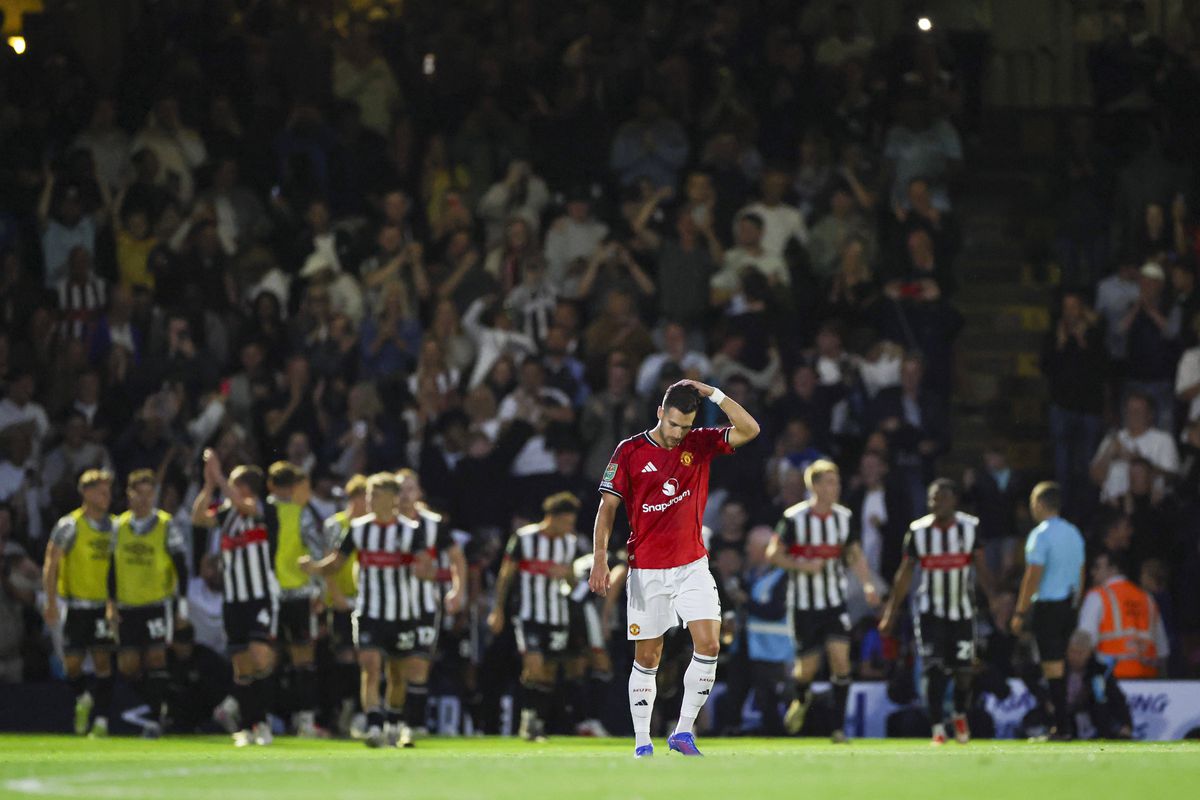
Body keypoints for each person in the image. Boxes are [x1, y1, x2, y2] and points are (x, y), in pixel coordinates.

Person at [590, 380, 760, 757]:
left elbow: (750, 429)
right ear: (659, 414)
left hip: (692, 565)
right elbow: (607, 507)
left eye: (685, 426)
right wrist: (600, 556)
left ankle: (683, 732)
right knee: (648, 657)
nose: (677, 433)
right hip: (647, 569)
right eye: (672, 425)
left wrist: (714, 393)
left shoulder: (697, 444)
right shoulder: (630, 450)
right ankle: (641, 742)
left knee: (710, 643)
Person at [299, 472, 459, 749]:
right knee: (370, 667)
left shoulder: (411, 531)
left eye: (376, 495)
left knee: (398, 674)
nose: (370, 500)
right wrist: (313, 567)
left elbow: (427, 568)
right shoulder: (359, 529)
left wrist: (425, 571)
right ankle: (374, 725)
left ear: (392, 500)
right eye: (370, 495)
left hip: (403, 613)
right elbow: (337, 562)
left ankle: (394, 722)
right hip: (369, 611)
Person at [767, 459, 879, 743]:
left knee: (841, 660)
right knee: (807, 670)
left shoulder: (844, 517)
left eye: (837, 482)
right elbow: (773, 554)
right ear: (814, 486)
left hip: (834, 602)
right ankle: (800, 698)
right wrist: (802, 565)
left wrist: (867, 583)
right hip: (804, 605)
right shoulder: (794, 518)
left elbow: (854, 553)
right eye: (829, 482)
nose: (835, 487)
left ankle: (838, 728)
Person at [879, 479, 993, 745]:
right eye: (932, 499)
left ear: (954, 500)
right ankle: (937, 727)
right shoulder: (918, 532)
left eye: (941, 498)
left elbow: (982, 570)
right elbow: (904, 575)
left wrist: (995, 598)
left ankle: (959, 713)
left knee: (963, 671)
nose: (936, 504)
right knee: (934, 668)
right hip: (930, 612)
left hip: (962, 612)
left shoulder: (970, 528)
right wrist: (890, 614)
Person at [190, 453, 278, 747]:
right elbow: (198, 517)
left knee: (259, 656)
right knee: (241, 666)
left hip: (259, 596)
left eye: (235, 485)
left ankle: (263, 722)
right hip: (234, 599)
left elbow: (244, 505)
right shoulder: (227, 514)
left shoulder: (262, 509)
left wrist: (219, 477)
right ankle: (249, 726)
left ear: (247, 488)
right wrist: (207, 484)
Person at [488, 492, 586, 742]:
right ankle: (528, 720)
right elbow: (505, 575)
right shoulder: (523, 538)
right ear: (551, 517)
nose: (569, 527)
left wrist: (566, 574)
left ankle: (536, 722)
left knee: (549, 671)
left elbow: (574, 584)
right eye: (565, 521)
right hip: (528, 614)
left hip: (557, 615)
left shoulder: (570, 543)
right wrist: (498, 609)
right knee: (534, 663)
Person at [110, 469, 187, 738]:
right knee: (128, 666)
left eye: (148, 493)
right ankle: (160, 702)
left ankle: (156, 717)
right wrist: (111, 603)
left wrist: (182, 606)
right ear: (128, 494)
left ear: (155, 495)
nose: (143, 499)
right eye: (137, 493)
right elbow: (110, 569)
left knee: (156, 657)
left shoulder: (167, 524)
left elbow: (181, 567)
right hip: (128, 605)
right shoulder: (117, 527)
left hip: (157, 603)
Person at [42, 469, 117, 737]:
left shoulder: (114, 527)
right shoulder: (70, 525)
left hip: (102, 606)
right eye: (101, 491)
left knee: (102, 662)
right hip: (75, 605)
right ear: (86, 493)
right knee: (71, 665)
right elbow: (52, 564)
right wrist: (51, 601)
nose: (106, 497)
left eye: (109, 492)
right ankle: (83, 699)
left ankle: (102, 721)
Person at [395, 469, 465, 739]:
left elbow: (457, 557)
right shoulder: (382, 524)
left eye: (410, 489)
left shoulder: (433, 523)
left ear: (419, 493)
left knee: (419, 663)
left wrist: (457, 590)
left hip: (424, 604)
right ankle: (391, 720)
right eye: (400, 489)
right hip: (388, 606)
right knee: (394, 666)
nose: (404, 495)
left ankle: (413, 723)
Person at [1013, 482, 1086, 740]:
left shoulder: (1040, 535)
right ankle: (1062, 723)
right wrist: (1075, 604)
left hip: (1048, 606)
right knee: (1058, 666)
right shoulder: (1074, 533)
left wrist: (1020, 611)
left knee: (1049, 667)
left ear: (1041, 504)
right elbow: (1080, 572)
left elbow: (1033, 575)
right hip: (1068, 604)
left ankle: (1061, 726)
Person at [264, 461, 326, 737]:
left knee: (266, 657)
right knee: (303, 660)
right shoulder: (300, 514)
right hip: (298, 593)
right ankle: (304, 721)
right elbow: (315, 552)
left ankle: (252, 715)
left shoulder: (256, 510)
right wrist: (320, 589)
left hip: (266, 594)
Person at [1076, 549, 1168, 678]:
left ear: (1113, 569)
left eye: (1097, 567)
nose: (1092, 573)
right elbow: (1162, 650)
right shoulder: (1147, 598)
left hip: (1111, 679)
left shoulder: (1097, 596)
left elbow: (1084, 640)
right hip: (1148, 679)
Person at [323, 474, 368, 735]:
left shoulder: (370, 526)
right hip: (340, 601)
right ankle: (343, 709)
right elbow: (329, 562)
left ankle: (359, 712)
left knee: (365, 656)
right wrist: (334, 595)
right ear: (354, 498)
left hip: (363, 600)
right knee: (344, 657)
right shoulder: (335, 525)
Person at [1062, 630, 1133, 740]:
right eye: (1072, 651)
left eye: (1080, 653)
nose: (1075, 657)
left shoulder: (1099, 671)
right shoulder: (1058, 667)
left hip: (1091, 717)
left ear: (1089, 653)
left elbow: (1117, 698)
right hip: (1063, 715)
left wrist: (1126, 724)